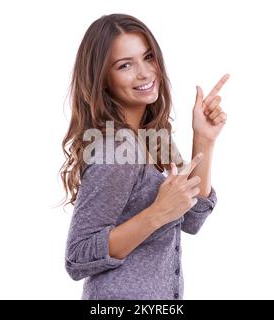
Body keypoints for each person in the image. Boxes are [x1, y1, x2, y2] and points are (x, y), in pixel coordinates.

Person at [59, 13, 229, 300]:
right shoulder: (115, 151)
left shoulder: (154, 136)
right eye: (125, 65)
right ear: (102, 79)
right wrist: (157, 213)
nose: (145, 73)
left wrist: (204, 139)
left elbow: (191, 219)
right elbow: (77, 258)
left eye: (148, 57)